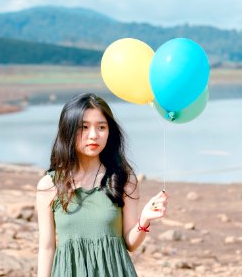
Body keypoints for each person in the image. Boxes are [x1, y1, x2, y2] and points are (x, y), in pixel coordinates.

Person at [36, 93, 168, 276]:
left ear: (109, 131)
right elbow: (47, 247)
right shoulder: (49, 185)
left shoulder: (122, 179)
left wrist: (144, 219)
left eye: (101, 127)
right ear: (69, 130)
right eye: (84, 127)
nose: (93, 135)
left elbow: (130, 243)